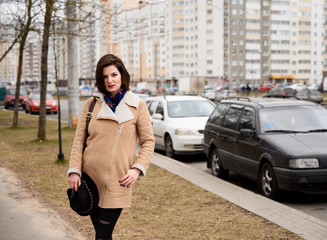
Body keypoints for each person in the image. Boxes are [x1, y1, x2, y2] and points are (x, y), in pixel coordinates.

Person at [67, 54, 155, 240]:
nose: (110, 80)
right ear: (100, 78)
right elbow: (79, 141)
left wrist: (137, 169)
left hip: (119, 181)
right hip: (90, 181)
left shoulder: (138, 106)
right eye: (105, 76)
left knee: (102, 235)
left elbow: (148, 142)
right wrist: (74, 170)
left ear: (122, 75)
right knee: (102, 235)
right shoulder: (90, 105)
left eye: (114, 75)